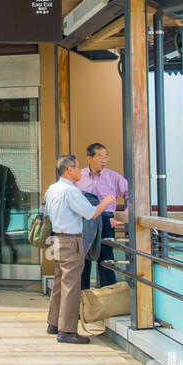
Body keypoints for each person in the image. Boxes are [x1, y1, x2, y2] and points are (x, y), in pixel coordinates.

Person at [45, 154, 116, 345]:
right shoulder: (71, 191)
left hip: (57, 239)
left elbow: (46, 213)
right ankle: (67, 330)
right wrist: (106, 202)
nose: (80, 171)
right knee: (71, 285)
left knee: (60, 282)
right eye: (77, 168)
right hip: (71, 240)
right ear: (69, 170)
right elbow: (91, 213)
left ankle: (53, 323)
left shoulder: (52, 189)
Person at [76, 143, 127, 289]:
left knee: (106, 260)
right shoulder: (79, 175)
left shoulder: (114, 176)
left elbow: (131, 195)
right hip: (85, 221)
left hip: (106, 220)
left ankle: (108, 299)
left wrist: (122, 217)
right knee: (83, 260)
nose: (104, 160)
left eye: (106, 157)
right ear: (89, 158)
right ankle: (82, 299)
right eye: (100, 157)